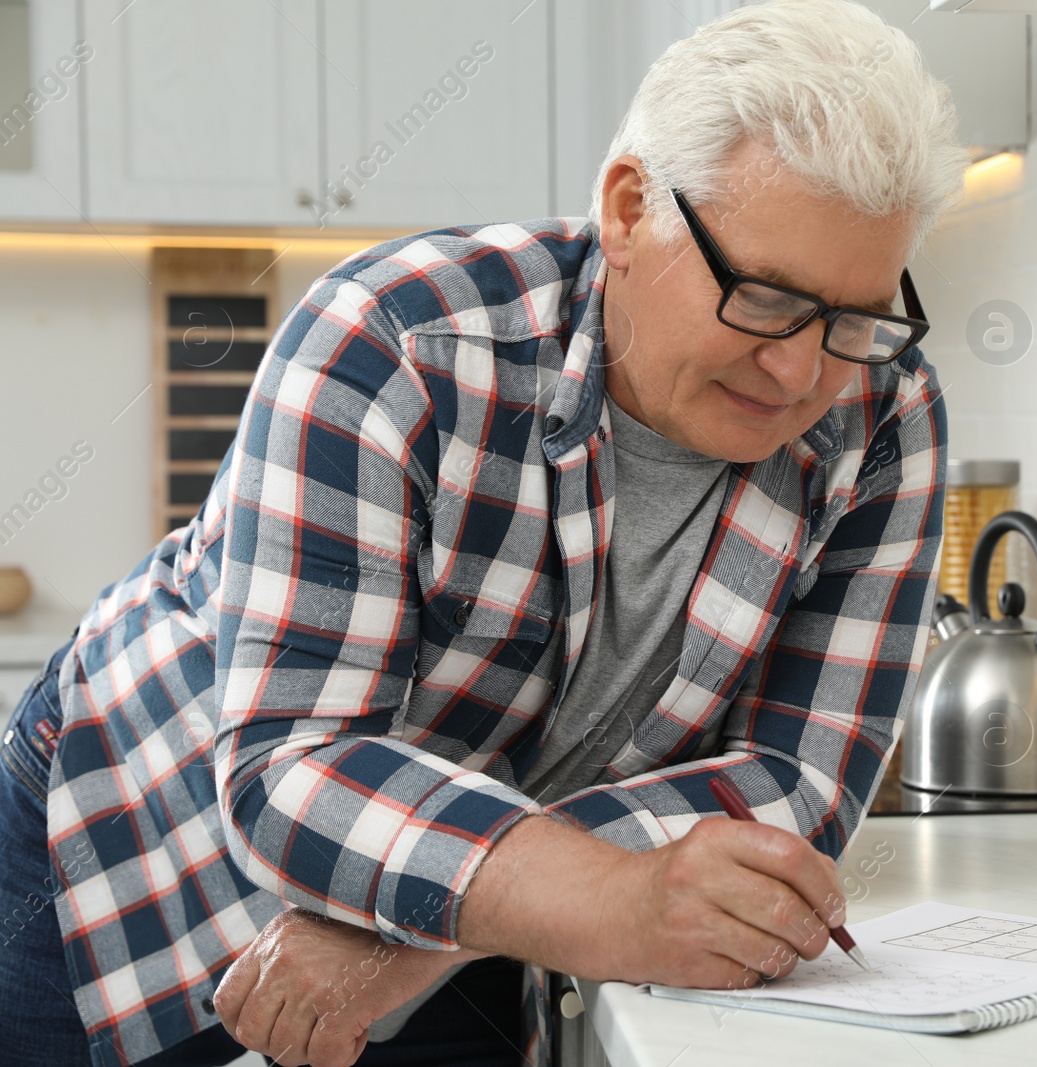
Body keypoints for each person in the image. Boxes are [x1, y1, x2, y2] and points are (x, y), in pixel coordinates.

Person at [0, 2, 968, 1064]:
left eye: (855, 318)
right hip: (134, 830)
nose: (802, 373)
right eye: (767, 298)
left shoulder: (885, 411)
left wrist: (456, 931)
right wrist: (599, 893)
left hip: (467, 907)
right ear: (630, 208)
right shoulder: (394, 339)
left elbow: (798, 781)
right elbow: (292, 768)